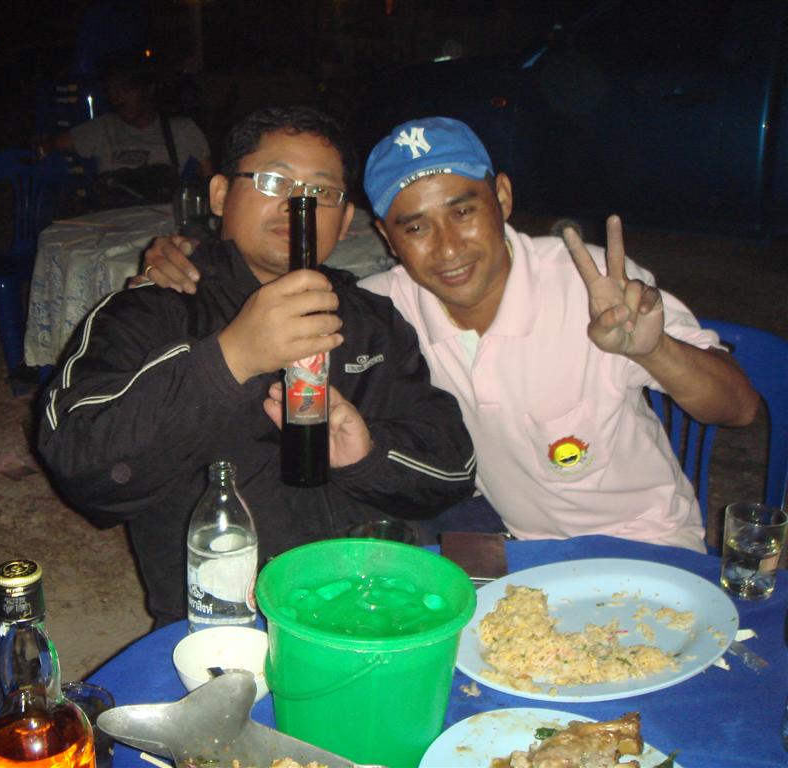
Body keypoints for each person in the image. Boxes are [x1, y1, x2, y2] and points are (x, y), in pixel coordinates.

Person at [139, 116, 759, 553]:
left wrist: (656, 349)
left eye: (463, 211)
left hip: (647, 545)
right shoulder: (383, 307)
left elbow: (739, 409)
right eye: (416, 227)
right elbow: (267, 289)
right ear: (387, 239)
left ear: (503, 198)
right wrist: (188, 258)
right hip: (509, 546)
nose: (448, 248)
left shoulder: (591, 284)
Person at [36, 107, 476, 626]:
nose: (297, 204)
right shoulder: (152, 310)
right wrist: (231, 358)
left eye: (321, 191)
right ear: (220, 195)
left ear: (344, 220)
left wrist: (367, 455)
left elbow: (454, 471)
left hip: (372, 606)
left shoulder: (371, 320)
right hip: (224, 620)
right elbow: (83, 469)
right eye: (273, 181)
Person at [35, 53, 213, 179]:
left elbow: (211, 183)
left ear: (149, 90)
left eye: (126, 89)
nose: (119, 98)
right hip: (112, 215)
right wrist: (42, 148)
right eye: (112, 91)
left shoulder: (182, 130)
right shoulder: (102, 128)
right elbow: (50, 144)